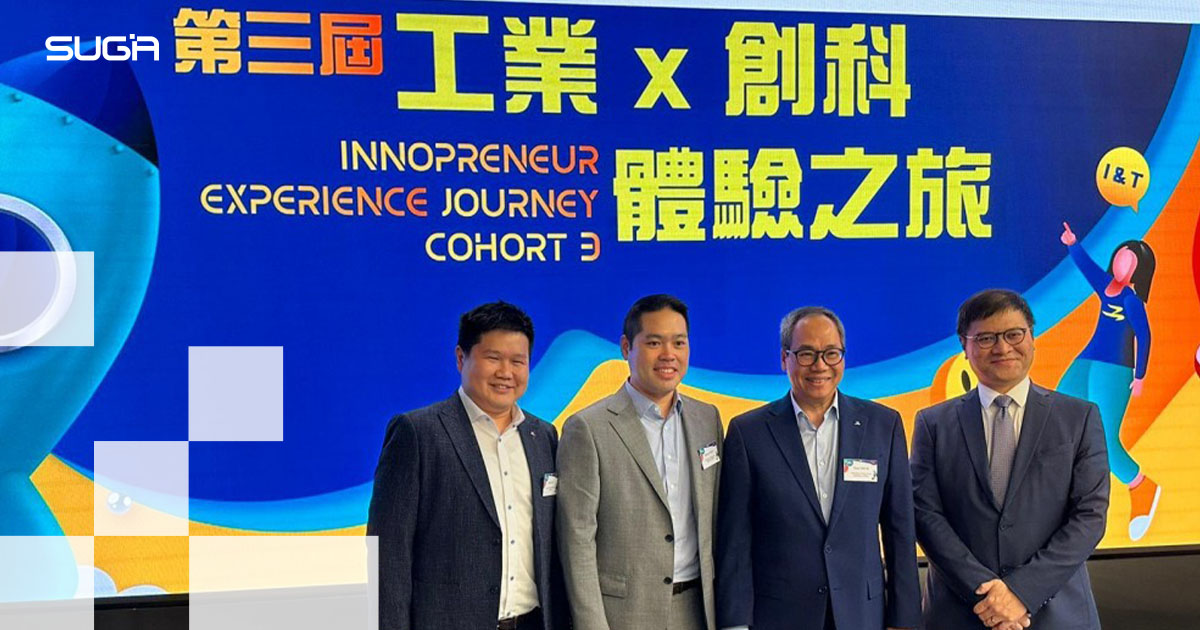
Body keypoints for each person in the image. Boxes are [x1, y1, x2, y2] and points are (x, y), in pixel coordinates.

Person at [911, 289, 1109, 630]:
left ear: (1032, 337)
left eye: (1014, 334)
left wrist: (1021, 593)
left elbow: (1090, 516)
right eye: (986, 338)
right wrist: (989, 596)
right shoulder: (933, 424)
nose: (1002, 348)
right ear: (964, 346)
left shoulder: (1079, 417)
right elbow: (925, 515)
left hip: (1058, 614)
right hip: (961, 613)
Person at [715, 306, 920, 630]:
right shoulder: (748, 433)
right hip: (780, 617)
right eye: (806, 353)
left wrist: (904, 619)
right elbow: (735, 542)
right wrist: (735, 623)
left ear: (843, 358)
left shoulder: (883, 425)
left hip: (863, 615)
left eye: (831, 353)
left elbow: (900, 530)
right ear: (784, 359)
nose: (820, 365)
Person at [367, 301, 567, 630]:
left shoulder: (543, 436)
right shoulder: (418, 433)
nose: (506, 372)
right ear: (461, 358)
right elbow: (388, 555)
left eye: (518, 361)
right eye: (493, 358)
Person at [557, 294, 723, 630]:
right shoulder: (588, 427)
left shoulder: (707, 419)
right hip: (624, 615)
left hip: (698, 610)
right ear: (626, 347)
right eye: (654, 343)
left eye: (679, 342)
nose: (668, 354)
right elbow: (577, 539)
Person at [1060, 222, 1159, 540]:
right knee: (1059, 407)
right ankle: (1069, 491)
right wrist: (1073, 243)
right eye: (1120, 256)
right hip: (1089, 358)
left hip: (1116, 368)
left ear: (1137, 270)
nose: (1121, 263)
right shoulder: (1107, 287)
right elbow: (1088, 269)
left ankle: (1142, 487)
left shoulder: (1131, 300)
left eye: (1129, 261)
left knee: (1104, 438)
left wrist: (1140, 375)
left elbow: (1144, 336)